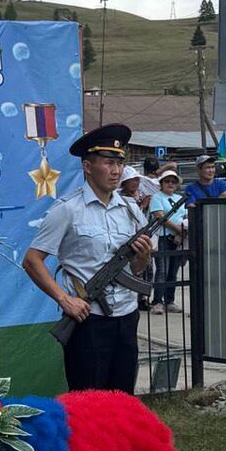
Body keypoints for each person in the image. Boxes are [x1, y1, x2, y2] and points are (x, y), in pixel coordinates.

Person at [23, 125, 153, 393]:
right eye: (108, 163)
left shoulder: (130, 210)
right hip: (88, 320)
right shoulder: (68, 209)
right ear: (87, 166)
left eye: (119, 163)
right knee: (89, 400)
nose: (116, 171)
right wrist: (64, 299)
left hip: (126, 316)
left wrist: (143, 257)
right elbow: (32, 260)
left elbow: (136, 269)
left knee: (123, 398)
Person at [149, 170, 187, 313]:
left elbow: (186, 217)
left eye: (173, 182)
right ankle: (158, 301)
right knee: (162, 270)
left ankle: (170, 301)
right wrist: (177, 229)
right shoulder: (157, 197)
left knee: (173, 271)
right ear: (161, 183)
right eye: (167, 181)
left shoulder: (180, 198)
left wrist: (181, 233)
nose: (170, 184)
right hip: (163, 237)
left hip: (178, 238)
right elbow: (160, 216)